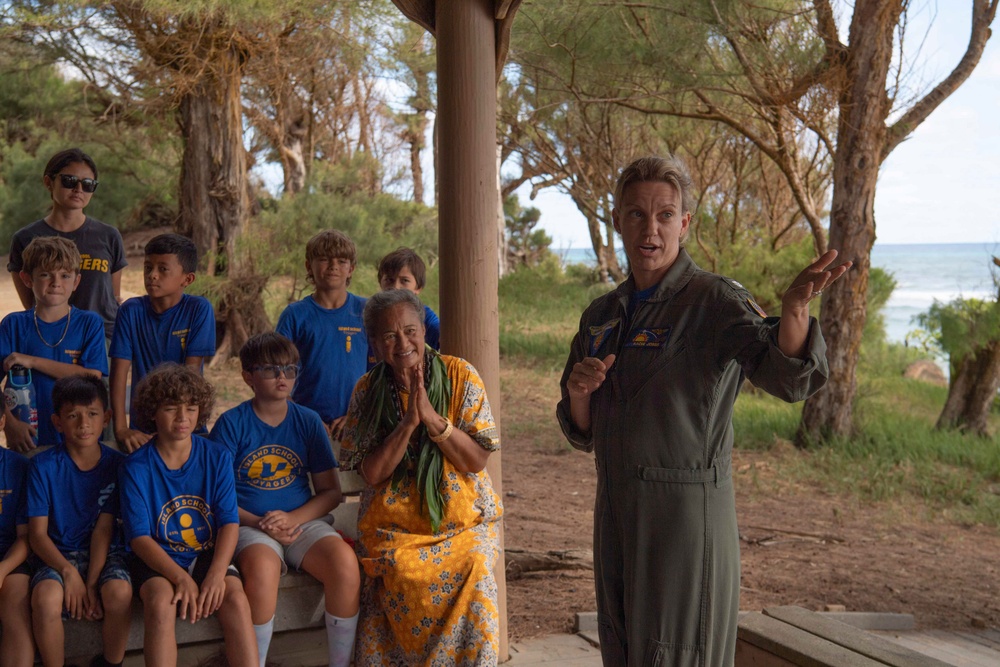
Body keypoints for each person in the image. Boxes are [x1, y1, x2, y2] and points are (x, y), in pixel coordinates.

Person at [557, 155, 851, 666]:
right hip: (616, 511)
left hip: (684, 518)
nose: (651, 228)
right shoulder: (602, 314)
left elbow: (785, 377)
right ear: (618, 220)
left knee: (678, 653)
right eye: (636, 214)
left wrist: (797, 312)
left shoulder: (713, 300)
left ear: (684, 224)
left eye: (665, 215)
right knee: (622, 649)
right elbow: (583, 431)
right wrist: (580, 395)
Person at [339, 289, 502, 665]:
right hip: (394, 528)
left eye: (410, 331)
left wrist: (433, 420)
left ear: (424, 332)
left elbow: (477, 460)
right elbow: (373, 474)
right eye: (389, 336)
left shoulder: (460, 375)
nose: (402, 343)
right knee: (397, 567)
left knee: (476, 566)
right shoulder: (368, 390)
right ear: (375, 344)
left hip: (461, 525)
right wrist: (409, 423)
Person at [209, 332, 361, 667]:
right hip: (249, 525)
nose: (282, 377)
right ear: (248, 376)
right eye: (270, 370)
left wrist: (293, 519)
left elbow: (331, 492)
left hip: (302, 522)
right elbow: (217, 498)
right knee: (262, 571)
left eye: (290, 370)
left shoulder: (307, 421)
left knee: (345, 565)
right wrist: (262, 522)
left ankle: (339, 662)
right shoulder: (232, 424)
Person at [118, 363, 256, 667]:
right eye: (171, 408)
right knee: (160, 603)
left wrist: (217, 575)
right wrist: (180, 577)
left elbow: (229, 522)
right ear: (153, 412)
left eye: (191, 408)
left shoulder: (216, 456)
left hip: (205, 553)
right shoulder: (136, 467)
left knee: (234, 597)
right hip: (158, 556)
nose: (183, 417)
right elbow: (139, 539)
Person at [27, 376, 131, 667]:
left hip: (106, 554)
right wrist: (69, 572)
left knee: (120, 593)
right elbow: (37, 534)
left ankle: (111, 663)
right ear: (57, 422)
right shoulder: (42, 467)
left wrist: (92, 582)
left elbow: (105, 529)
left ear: (107, 418)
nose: (83, 423)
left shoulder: (118, 465)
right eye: (72, 415)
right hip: (55, 554)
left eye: (92, 414)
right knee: (46, 597)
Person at [1, 237, 108, 454]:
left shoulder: (90, 323)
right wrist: (11, 424)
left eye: (65, 275)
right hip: (28, 439)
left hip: (80, 441)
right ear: (27, 278)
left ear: (76, 282)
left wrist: (31, 361)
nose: (56, 282)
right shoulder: (13, 324)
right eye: (45, 274)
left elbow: (91, 376)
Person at [7, 148, 127, 342]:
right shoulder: (25, 238)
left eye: (88, 184)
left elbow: (112, 298)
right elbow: (30, 304)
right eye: (69, 181)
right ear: (48, 182)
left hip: (102, 339)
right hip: (51, 338)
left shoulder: (109, 236)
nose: (79, 189)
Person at [109, 233, 216, 452]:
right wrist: (121, 428)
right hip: (144, 427)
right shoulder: (131, 311)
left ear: (187, 279)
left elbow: (191, 375)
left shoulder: (198, 309)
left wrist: (175, 425)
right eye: (148, 267)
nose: (152, 275)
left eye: (163, 269)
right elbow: (119, 374)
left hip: (185, 425)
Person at [276, 230, 371, 441]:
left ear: (351, 268)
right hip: (304, 426)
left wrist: (357, 415)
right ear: (309, 265)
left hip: (356, 426)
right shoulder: (295, 315)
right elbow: (276, 371)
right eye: (324, 259)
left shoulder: (366, 311)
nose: (333, 266)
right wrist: (299, 415)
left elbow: (379, 372)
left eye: (342, 260)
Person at [0, 411, 33, 667]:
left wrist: (1, 571)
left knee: (14, 598)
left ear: (2, 421)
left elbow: (25, 538)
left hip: (11, 555)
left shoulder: (19, 467)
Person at [377, 247, 441, 350]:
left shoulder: (425, 317)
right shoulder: (369, 317)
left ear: (418, 287)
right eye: (389, 280)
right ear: (380, 282)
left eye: (404, 281)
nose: (396, 287)